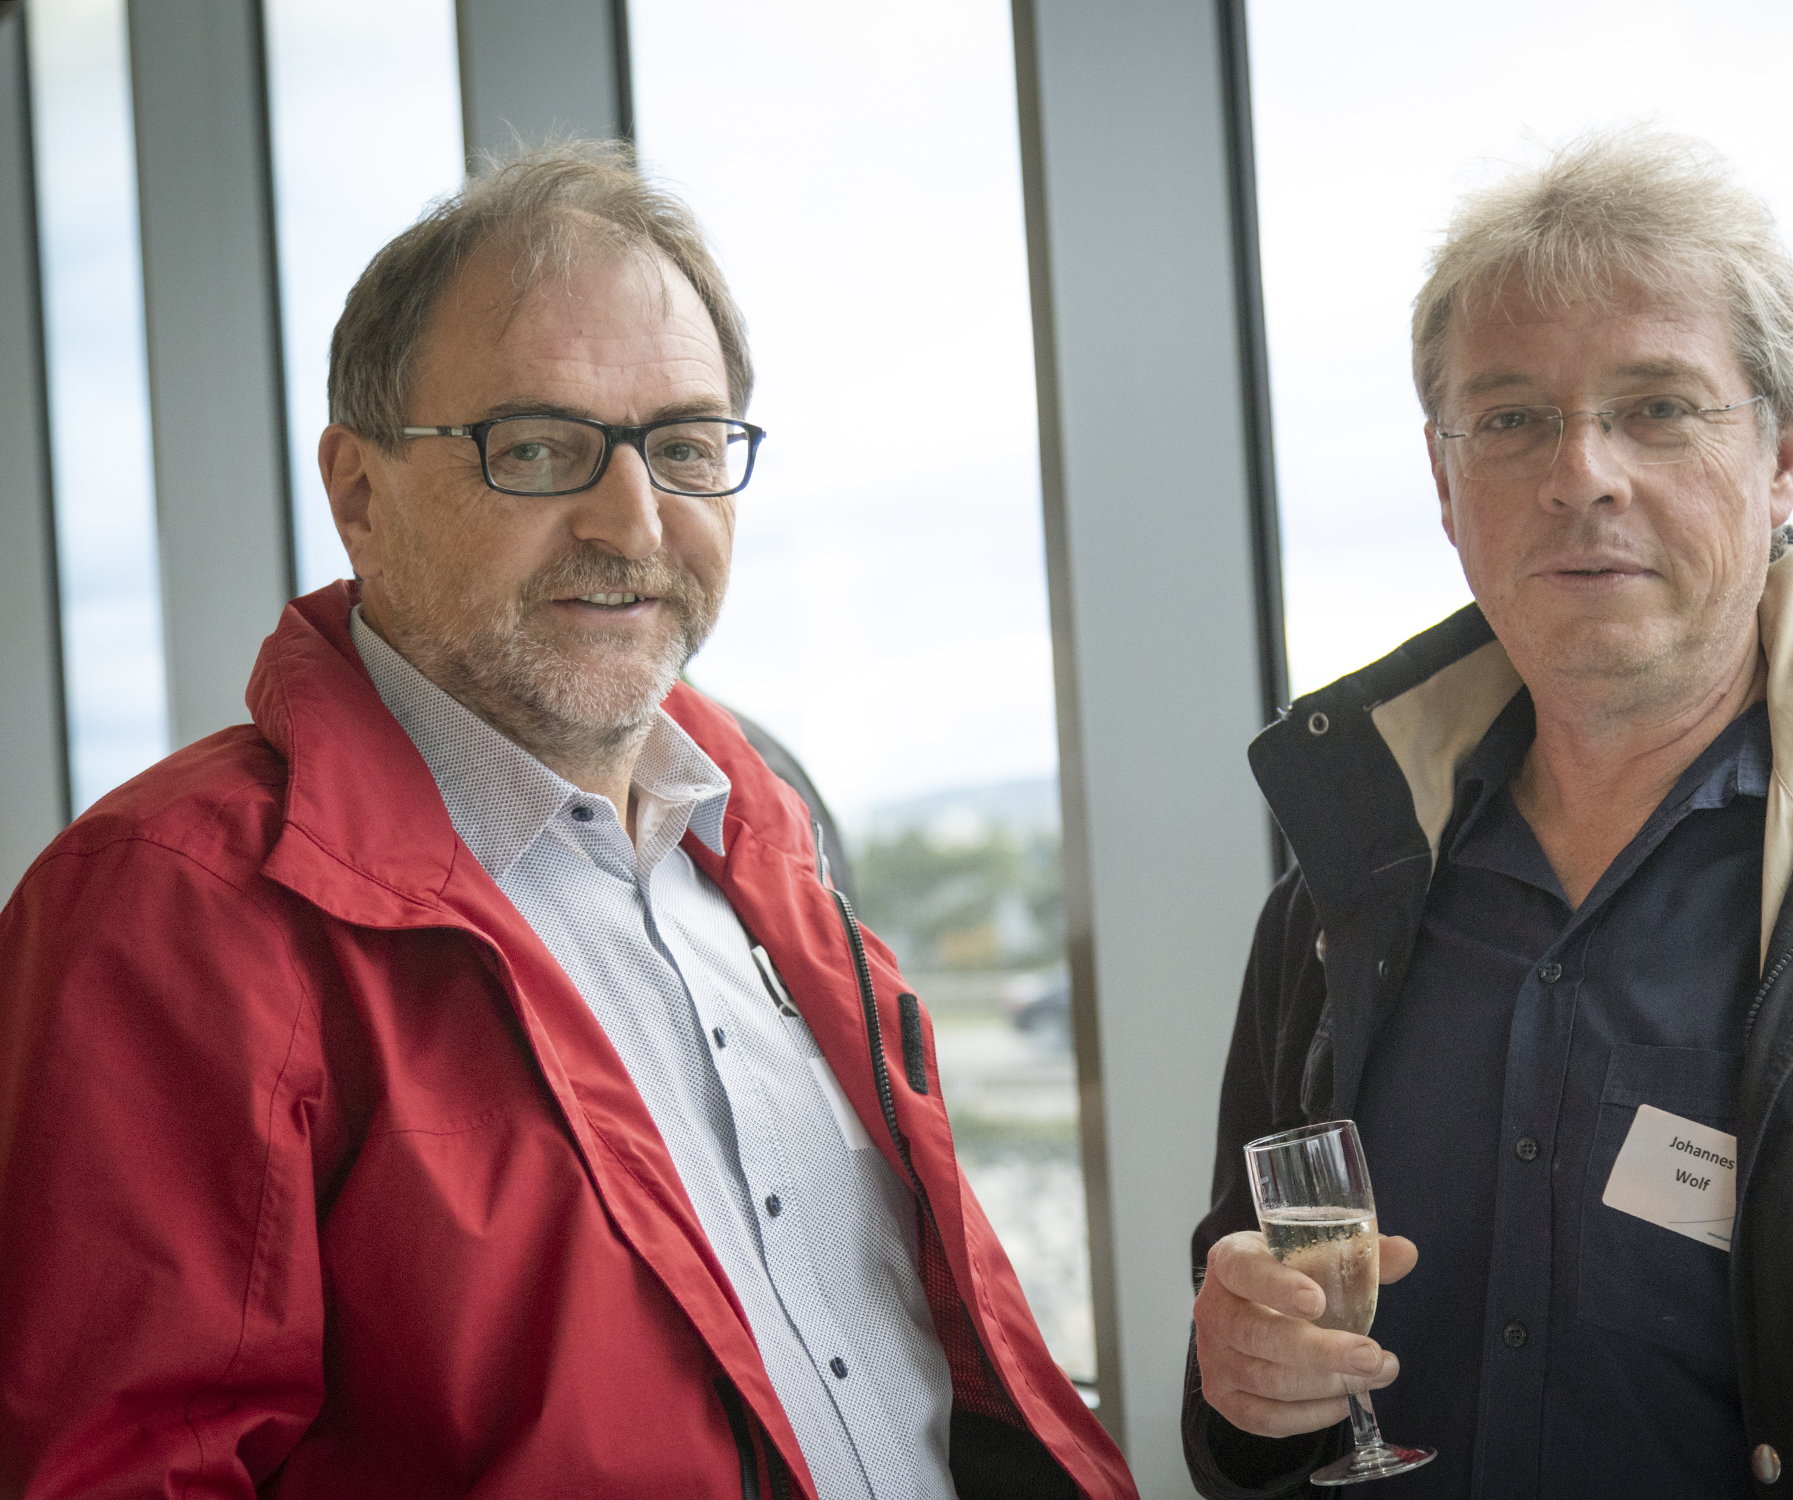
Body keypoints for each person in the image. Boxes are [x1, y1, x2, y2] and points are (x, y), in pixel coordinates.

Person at [0, 143, 1133, 1500]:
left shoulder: (763, 844)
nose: (632, 522)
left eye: (684, 448)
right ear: (360, 494)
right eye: (538, 448)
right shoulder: (171, 907)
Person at [1185, 132, 1793, 1499]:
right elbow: (1250, 1357)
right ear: (1443, 484)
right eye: (1511, 420)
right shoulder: (1339, 893)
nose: (1582, 474)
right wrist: (1245, 1396)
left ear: (1781, 458)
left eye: (1659, 407)